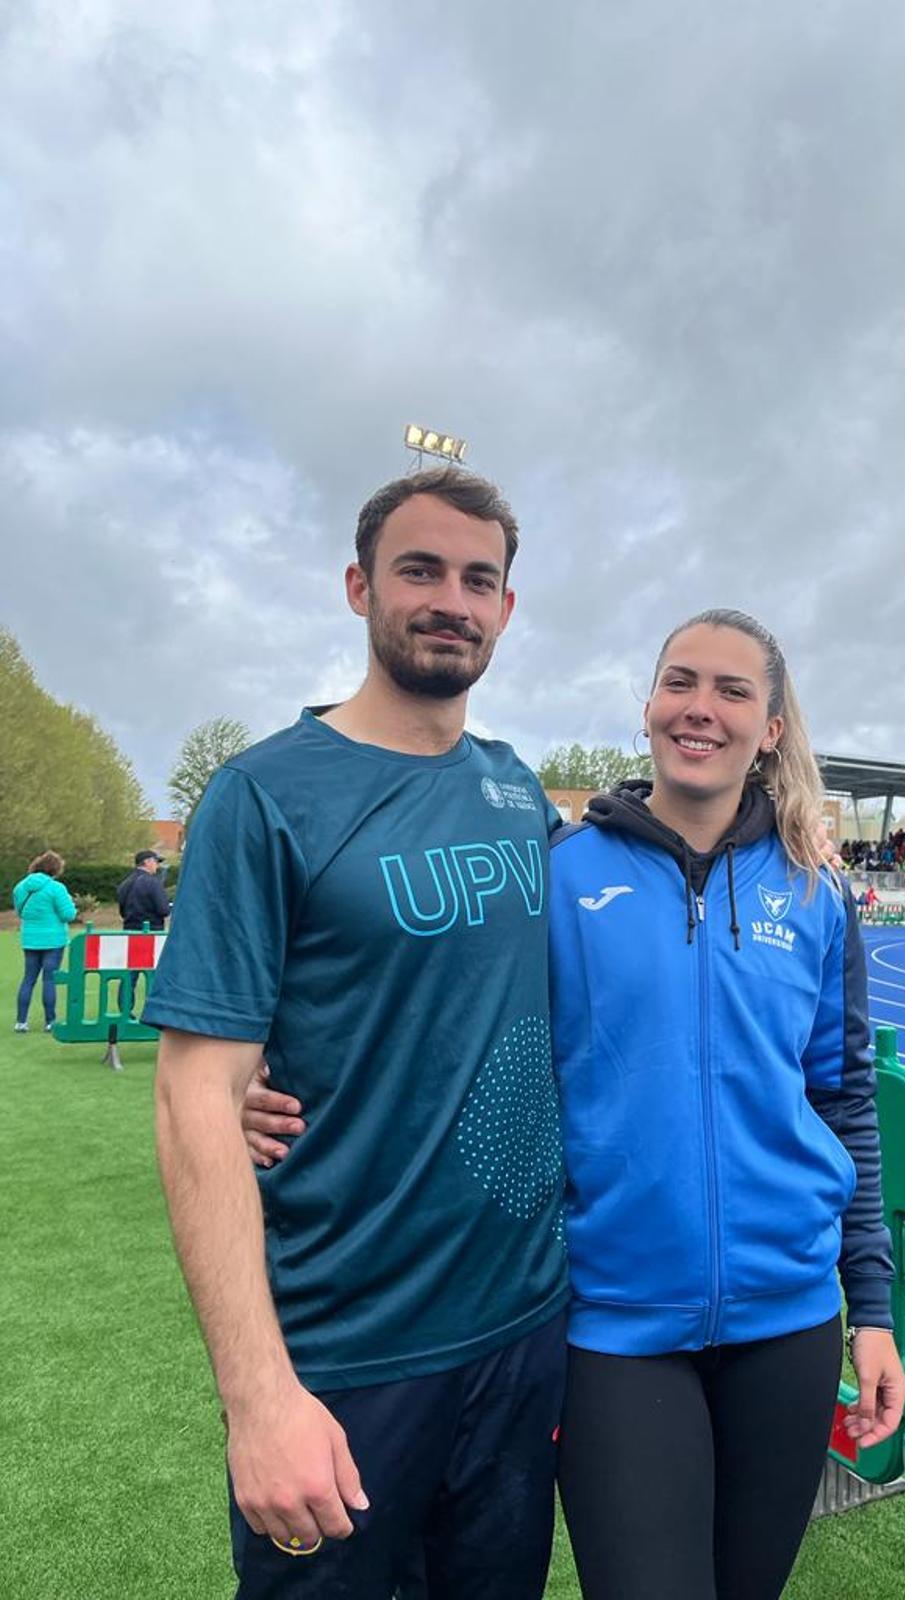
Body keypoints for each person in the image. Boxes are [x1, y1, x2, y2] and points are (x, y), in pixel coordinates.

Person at [247, 608, 905, 1600]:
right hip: (615, 1330)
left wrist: (874, 1309)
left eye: (733, 690)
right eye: (680, 681)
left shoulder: (814, 893)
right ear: (647, 707)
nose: (701, 707)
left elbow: (843, 1101)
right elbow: (445, 1018)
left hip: (789, 1323)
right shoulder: (561, 873)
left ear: (772, 726)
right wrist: (269, 1071)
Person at [147, 468, 569, 1599]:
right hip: (346, 1358)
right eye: (420, 570)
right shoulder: (265, 794)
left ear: (507, 611)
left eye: (480, 579)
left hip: (524, 1337)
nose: (453, 599)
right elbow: (195, 1093)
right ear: (358, 586)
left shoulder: (517, 790)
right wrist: (259, 1397)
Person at [12, 850, 76, 1032]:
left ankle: (21, 1021)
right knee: (49, 979)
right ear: (55, 869)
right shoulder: (56, 888)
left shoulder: (21, 887)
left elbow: (20, 912)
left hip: (30, 938)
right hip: (53, 939)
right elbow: (68, 914)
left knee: (28, 978)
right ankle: (50, 1021)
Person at [116, 848, 171, 1004]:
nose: (157, 866)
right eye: (155, 862)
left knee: (129, 974)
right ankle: (155, 1010)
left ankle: (125, 1011)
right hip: (151, 933)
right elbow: (163, 910)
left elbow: (122, 911)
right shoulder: (153, 883)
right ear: (147, 862)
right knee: (153, 975)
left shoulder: (125, 883)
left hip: (130, 932)